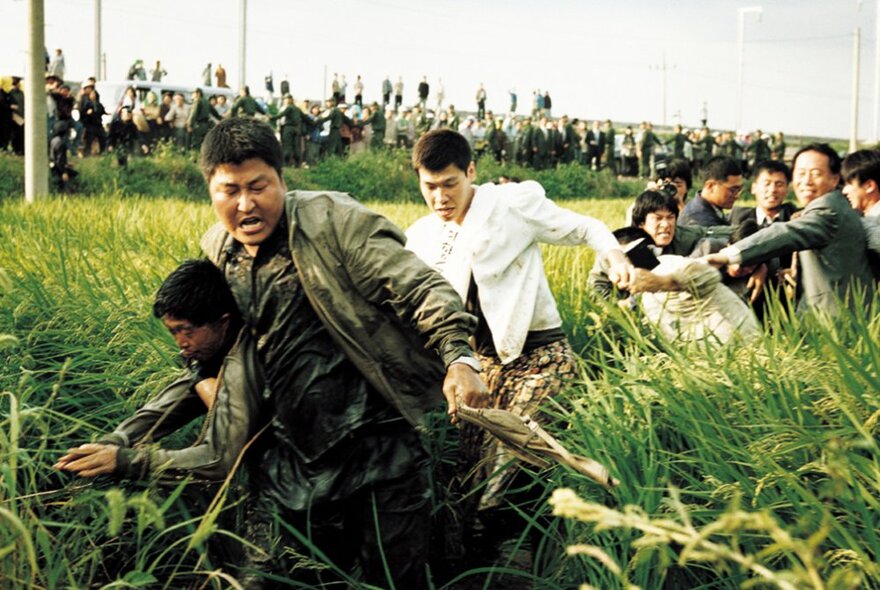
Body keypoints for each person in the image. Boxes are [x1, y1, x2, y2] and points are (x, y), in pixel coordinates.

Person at [196, 117, 487, 588]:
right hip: (293, 458)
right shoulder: (218, 252)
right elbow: (204, 339)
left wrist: (459, 357)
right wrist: (205, 384)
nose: (246, 205)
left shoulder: (334, 221)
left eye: (258, 186)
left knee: (394, 580)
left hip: (379, 447)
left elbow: (420, 288)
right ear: (211, 191)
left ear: (282, 180)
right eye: (230, 191)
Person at [405, 128, 632, 561]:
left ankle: (533, 547)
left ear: (470, 172)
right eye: (428, 187)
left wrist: (614, 255)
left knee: (507, 468)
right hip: (480, 367)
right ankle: (486, 559)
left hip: (541, 359)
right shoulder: (422, 236)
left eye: (450, 184)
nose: (440, 198)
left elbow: (585, 228)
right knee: (468, 482)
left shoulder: (512, 204)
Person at [54, 258, 260, 482]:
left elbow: (218, 460)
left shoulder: (246, 359)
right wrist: (118, 439)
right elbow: (174, 400)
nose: (181, 343)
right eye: (173, 332)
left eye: (187, 331)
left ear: (223, 322)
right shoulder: (211, 348)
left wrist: (125, 461)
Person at [704, 143, 875, 315]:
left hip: (834, 320)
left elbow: (786, 233)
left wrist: (725, 256)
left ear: (835, 179)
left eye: (816, 174)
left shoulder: (828, 211)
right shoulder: (835, 208)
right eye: (801, 173)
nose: (806, 181)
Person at [612, 227, 759, 345]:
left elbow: (708, 275)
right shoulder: (643, 289)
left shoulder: (668, 265)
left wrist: (664, 281)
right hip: (704, 351)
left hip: (738, 345)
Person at [678, 156, 744, 227]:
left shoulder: (710, 210)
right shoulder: (699, 221)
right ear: (710, 186)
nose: (737, 195)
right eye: (733, 190)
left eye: (739, 190)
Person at [271, 93, 305, 166]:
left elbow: (281, 115)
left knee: (287, 146)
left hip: (288, 127)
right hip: (296, 128)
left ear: (290, 100)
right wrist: (315, 122)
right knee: (296, 146)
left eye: (287, 99)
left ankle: (286, 163)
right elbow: (305, 117)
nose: (286, 100)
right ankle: (297, 163)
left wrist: (271, 118)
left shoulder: (288, 108)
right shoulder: (297, 109)